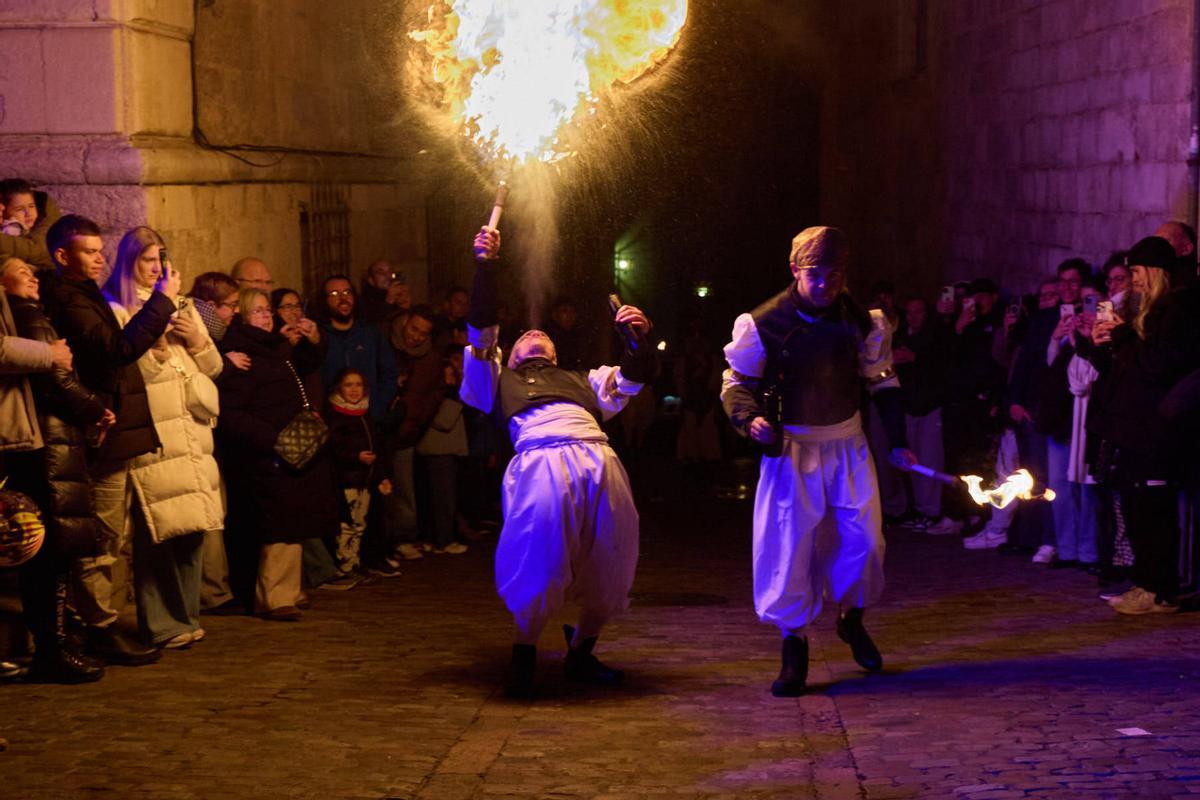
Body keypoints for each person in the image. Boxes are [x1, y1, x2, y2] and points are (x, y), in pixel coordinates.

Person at [721, 226, 916, 698]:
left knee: (866, 542)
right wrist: (751, 422)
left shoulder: (863, 321)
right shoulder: (764, 323)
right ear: (795, 271)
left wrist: (897, 441)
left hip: (847, 443)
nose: (826, 285)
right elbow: (735, 385)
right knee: (790, 546)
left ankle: (852, 619)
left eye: (835, 276)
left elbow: (882, 382)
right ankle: (794, 645)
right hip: (794, 449)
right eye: (816, 275)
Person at [462, 225, 656, 698]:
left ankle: (582, 654)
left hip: (599, 459)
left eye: (543, 334)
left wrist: (638, 337)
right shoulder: (491, 378)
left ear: (555, 353)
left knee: (612, 555)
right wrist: (486, 266)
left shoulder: (584, 380)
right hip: (540, 465)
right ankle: (524, 656)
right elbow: (482, 325)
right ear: (508, 357)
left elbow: (636, 376)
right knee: (538, 557)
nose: (535, 333)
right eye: (526, 334)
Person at [39, 214, 177, 666]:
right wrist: (161, 304)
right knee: (98, 535)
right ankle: (97, 626)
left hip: (115, 429)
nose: (100, 259)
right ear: (63, 256)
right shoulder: (68, 299)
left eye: (102, 250)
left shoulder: (83, 294)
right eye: (90, 251)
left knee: (109, 533)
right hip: (100, 432)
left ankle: (97, 622)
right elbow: (115, 351)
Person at [102, 227, 224, 649]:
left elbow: (212, 366)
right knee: (160, 529)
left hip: (190, 429)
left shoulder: (183, 306)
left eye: (160, 260)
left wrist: (196, 341)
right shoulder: (118, 311)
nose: (155, 268)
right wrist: (155, 347)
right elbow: (129, 368)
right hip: (155, 430)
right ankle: (162, 622)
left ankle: (187, 616)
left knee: (192, 528)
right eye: (147, 260)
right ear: (130, 263)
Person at [1080, 236, 1200, 614]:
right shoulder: (1144, 311)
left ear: (1154, 271)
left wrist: (1124, 336)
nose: (1132, 281)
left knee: (1152, 510)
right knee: (1135, 506)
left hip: (1156, 429)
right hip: (1131, 426)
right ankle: (1146, 582)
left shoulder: (1177, 309)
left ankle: (1157, 587)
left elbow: (1159, 366)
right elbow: (1124, 370)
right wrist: (1100, 344)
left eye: (1135, 272)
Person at [2, 257, 107, 682]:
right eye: (17, 268)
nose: (30, 275)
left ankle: (53, 641)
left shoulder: (28, 312)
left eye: (32, 270)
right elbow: (55, 375)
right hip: (35, 446)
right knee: (39, 547)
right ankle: (51, 645)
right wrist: (96, 407)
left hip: (41, 442)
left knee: (44, 548)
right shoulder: (22, 315)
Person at [216, 289, 337, 621]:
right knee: (278, 526)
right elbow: (231, 412)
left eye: (267, 309)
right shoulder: (244, 355)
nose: (267, 316)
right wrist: (272, 439)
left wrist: (311, 340)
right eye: (257, 311)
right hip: (267, 454)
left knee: (295, 522)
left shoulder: (272, 349)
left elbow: (304, 367)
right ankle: (274, 595)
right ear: (241, 316)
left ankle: (290, 589)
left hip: (289, 453)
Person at [326, 368, 392, 577]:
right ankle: (344, 565)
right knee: (346, 525)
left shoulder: (365, 414)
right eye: (348, 385)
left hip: (365, 480)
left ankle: (354, 562)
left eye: (358, 385)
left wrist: (381, 476)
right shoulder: (335, 416)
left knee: (359, 524)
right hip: (346, 480)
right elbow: (333, 449)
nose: (354, 390)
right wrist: (355, 457)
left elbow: (375, 447)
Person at [0, 179, 61, 271]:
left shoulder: (43, 206)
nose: (28, 213)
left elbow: (39, 250)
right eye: (19, 209)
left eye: (31, 206)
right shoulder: (11, 228)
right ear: (4, 213)